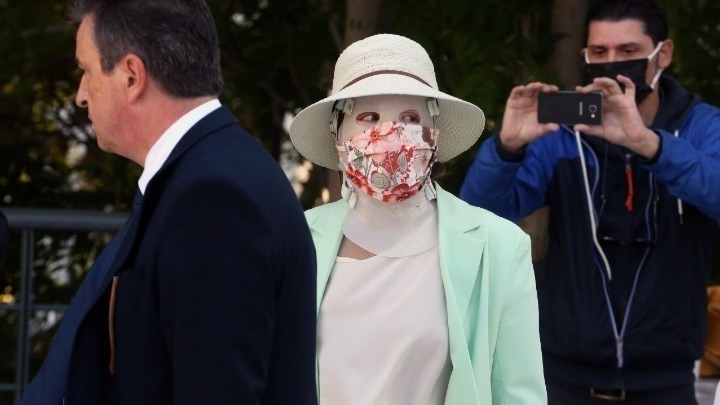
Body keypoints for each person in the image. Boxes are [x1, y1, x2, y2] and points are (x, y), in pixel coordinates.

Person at [21, 0, 317, 403]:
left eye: (86, 72)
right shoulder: (213, 171)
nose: (81, 96)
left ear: (131, 76)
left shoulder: (212, 197)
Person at [460, 0, 720, 403]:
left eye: (628, 50)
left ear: (663, 54)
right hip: (564, 378)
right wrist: (507, 149)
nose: (612, 62)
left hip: (666, 380)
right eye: (599, 52)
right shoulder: (563, 135)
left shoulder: (702, 127)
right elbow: (479, 219)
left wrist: (649, 145)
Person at [288, 33, 546, 404]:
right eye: (368, 117)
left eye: (410, 118)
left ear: (433, 134)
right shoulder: (296, 240)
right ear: (338, 134)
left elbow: (518, 392)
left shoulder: (500, 247)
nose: (389, 133)